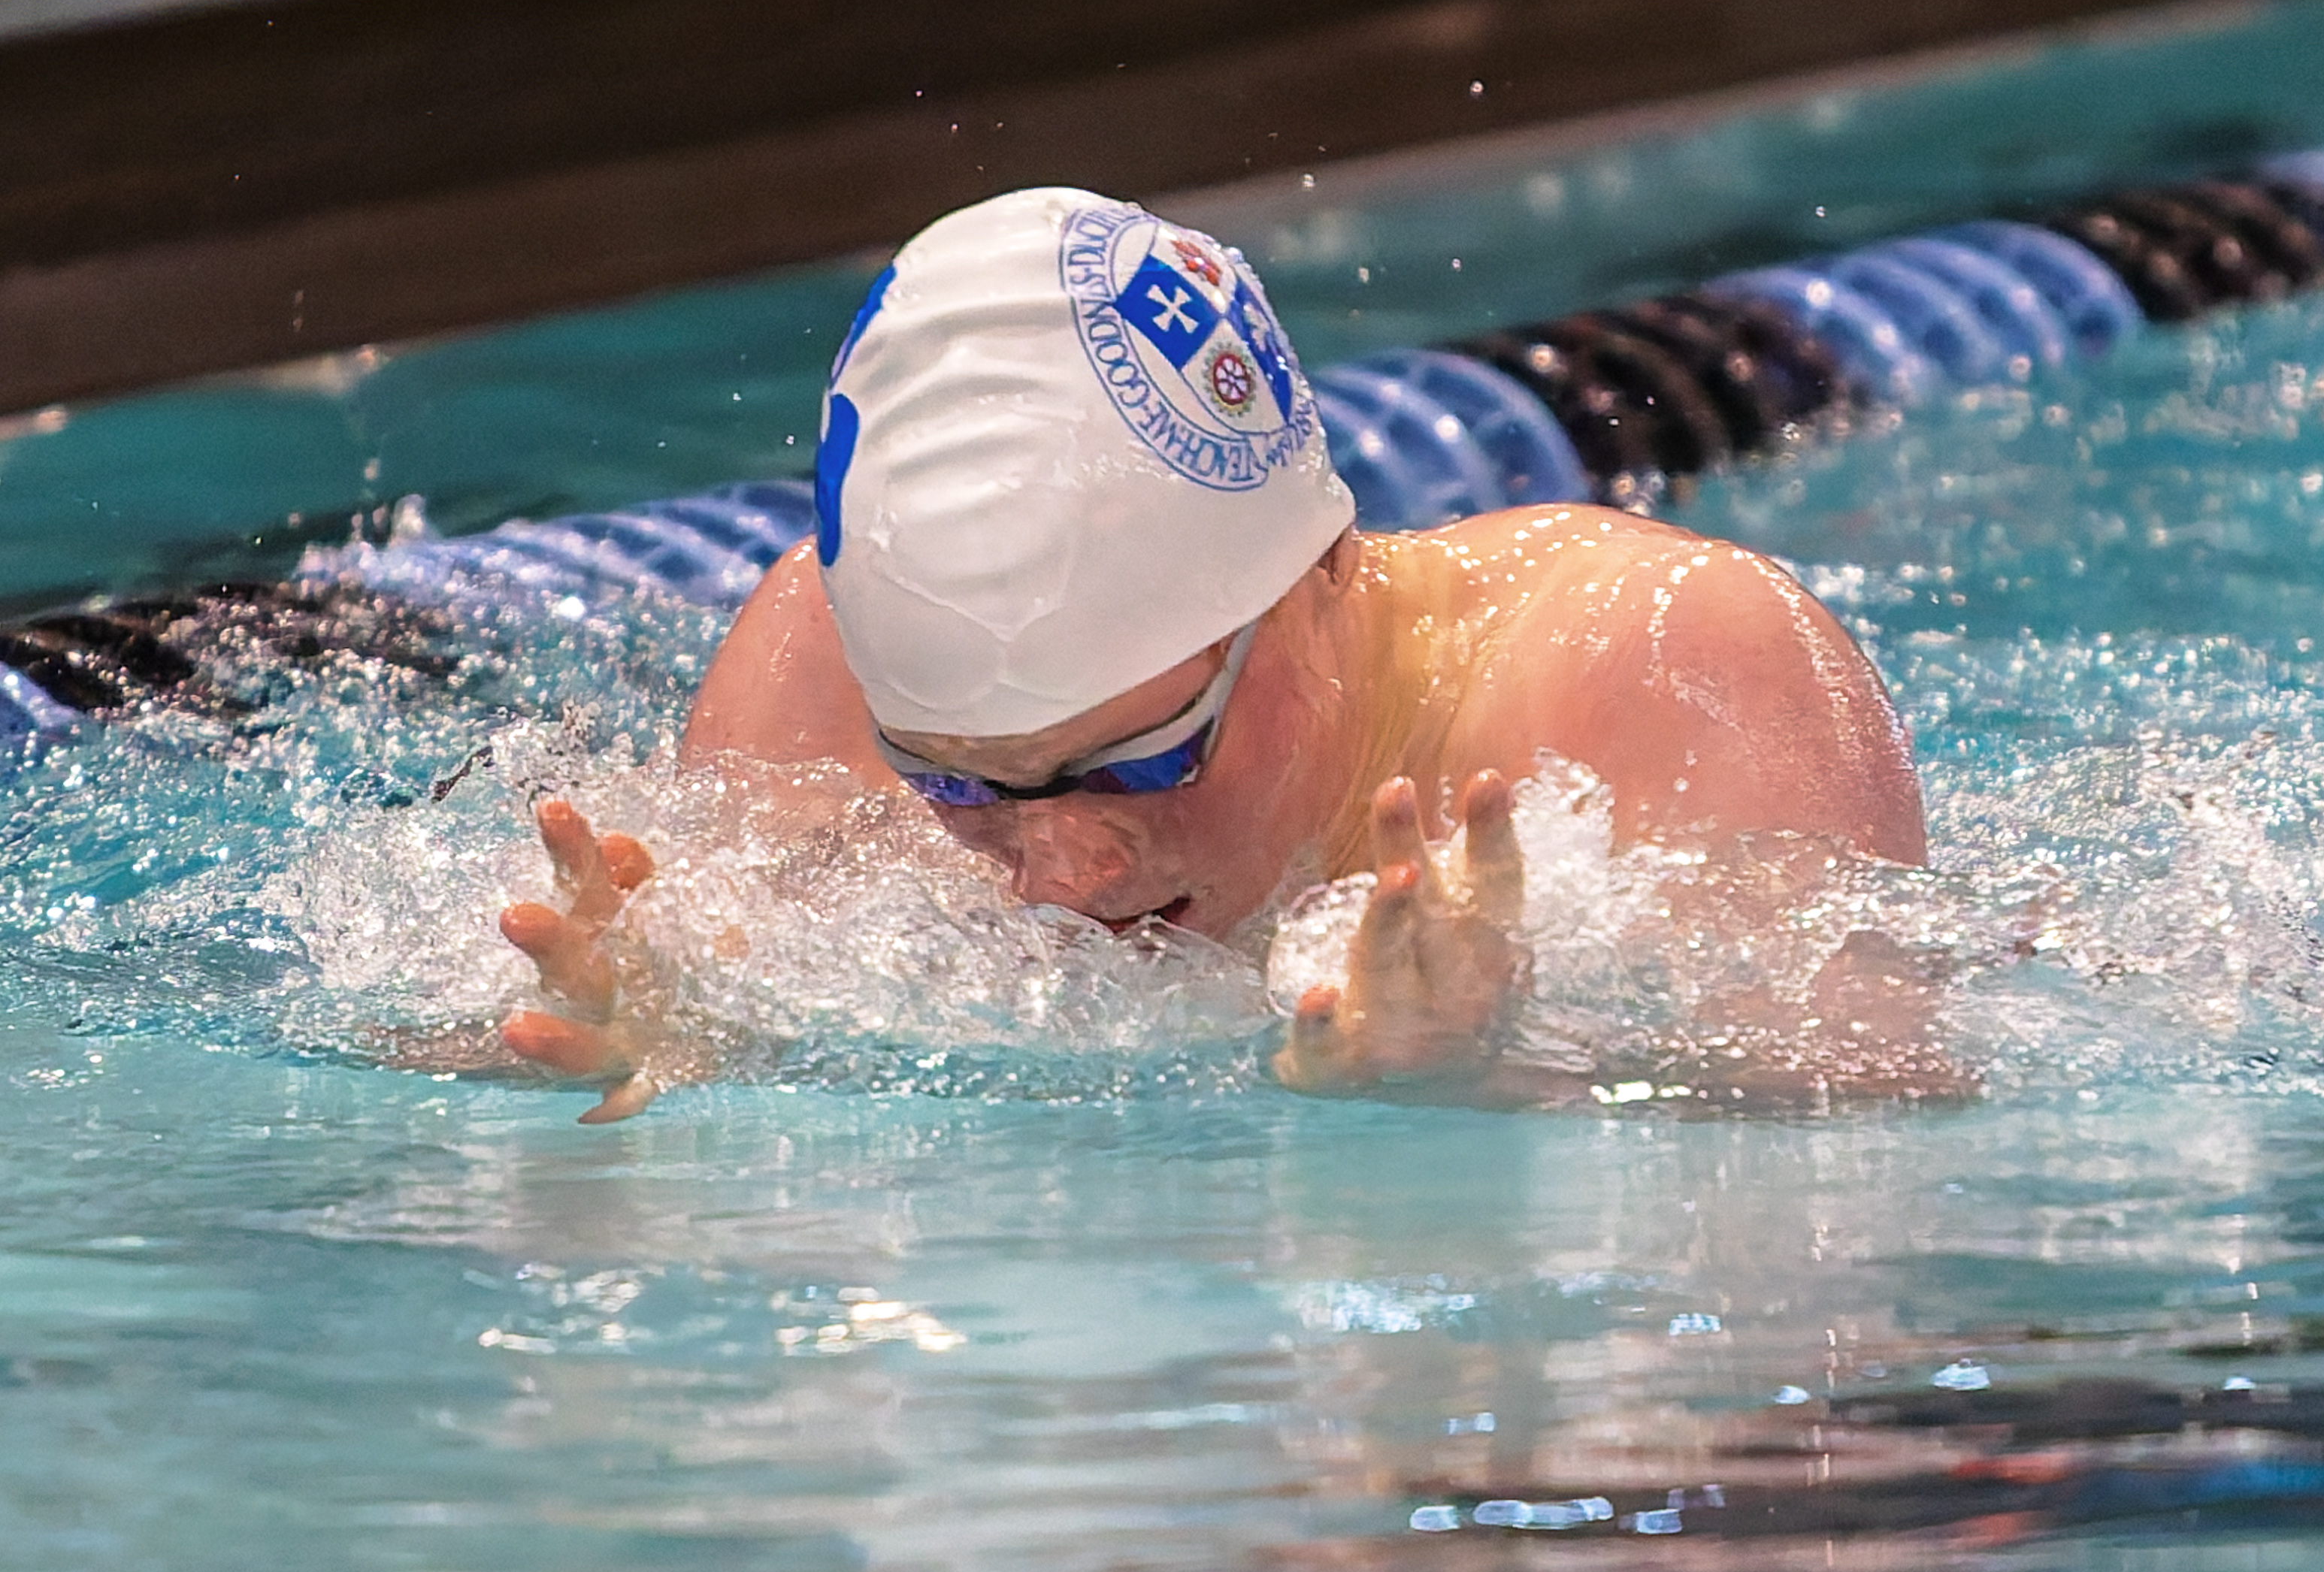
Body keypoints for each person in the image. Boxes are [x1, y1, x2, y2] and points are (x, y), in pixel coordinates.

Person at [495, 187, 1934, 1121]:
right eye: (962, 789)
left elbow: (1863, 1178)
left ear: (1316, 578)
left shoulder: (1667, 671)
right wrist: (671, 1048)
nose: (1059, 874)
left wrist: (1492, 1080)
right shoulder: (819, 667)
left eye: (1140, 760)